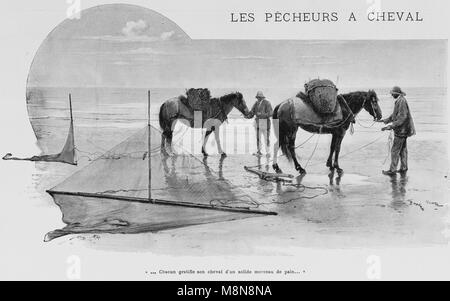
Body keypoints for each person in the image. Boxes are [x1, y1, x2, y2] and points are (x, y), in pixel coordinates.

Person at [378, 86, 416, 176]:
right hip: (403, 130)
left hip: (401, 131)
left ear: (396, 93)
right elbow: (394, 115)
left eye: (392, 93)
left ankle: (392, 170)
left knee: (395, 150)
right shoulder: (400, 100)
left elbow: (402, 117)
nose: (391, 95)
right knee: (403, 150)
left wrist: (390, 126)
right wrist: (385, 120)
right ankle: (404, 168)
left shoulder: (401, 101)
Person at [246, 91, 273, 156]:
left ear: (262, 97)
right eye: (258, 97)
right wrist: (247, 116)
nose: (259, 98)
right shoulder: (256, 103)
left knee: (266, 138)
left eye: (260, 97)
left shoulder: (267, 103)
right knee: (258, 138)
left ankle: (268, 152)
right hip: (257, 123)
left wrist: (261, 114)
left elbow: (271, 113)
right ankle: (259, 151)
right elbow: (252, 112)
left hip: (266, 123)